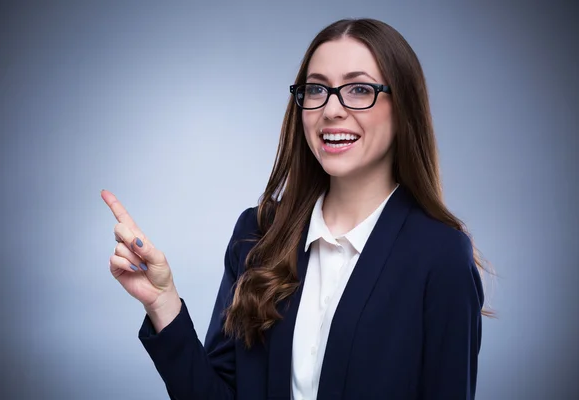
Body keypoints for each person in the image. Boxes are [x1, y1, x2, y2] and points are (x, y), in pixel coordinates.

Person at [102, 18, 490, 400]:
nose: (332, 110)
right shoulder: (258, 233)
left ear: (403, 107)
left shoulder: (440, 255)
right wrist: (163, 303)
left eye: (358, 89)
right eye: (317, 89)